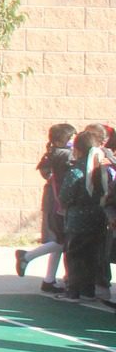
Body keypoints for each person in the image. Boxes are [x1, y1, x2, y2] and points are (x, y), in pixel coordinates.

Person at [14, 123, 76, 294]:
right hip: (58, 204)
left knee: (59, 240)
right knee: (61, 241)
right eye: (70, 138)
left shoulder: (52, 154)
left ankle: (49, 280)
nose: (73, 142)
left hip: (52, 201)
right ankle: (27, 256)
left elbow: (45, 171)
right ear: (61, 140)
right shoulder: (64, 155)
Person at [58, 125, 112, 303]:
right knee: (91, 256)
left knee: (74, 255)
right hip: (98, 218)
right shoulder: (101, 170)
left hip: (77, 219)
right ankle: (89, 291)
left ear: (78, 149)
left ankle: (73, 291)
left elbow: (65, 196)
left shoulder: (76, 171)